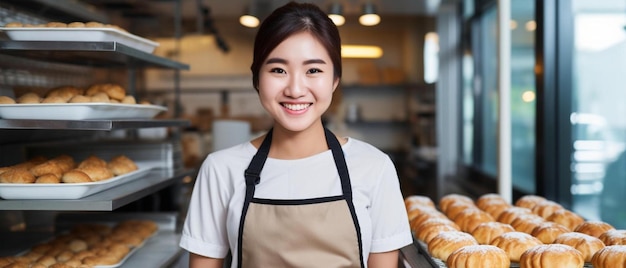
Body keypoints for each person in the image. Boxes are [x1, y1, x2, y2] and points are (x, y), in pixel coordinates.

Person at [179, 2, 413, 267]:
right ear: (257, 79)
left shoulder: (375, 168)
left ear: (335, 79)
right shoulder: (220, 170)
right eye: (278, 70)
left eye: (313, 70)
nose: (295, 89)